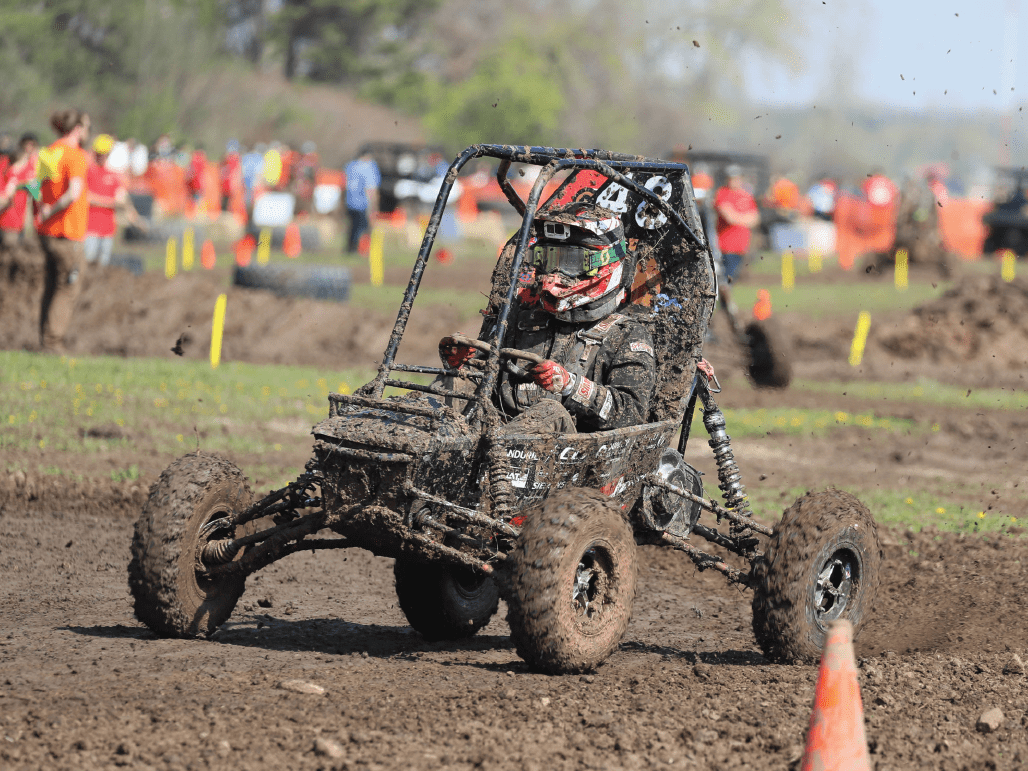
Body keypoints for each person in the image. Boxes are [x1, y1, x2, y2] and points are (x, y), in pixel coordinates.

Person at [439, 204, 655, 434]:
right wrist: (462, 363)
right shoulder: (520, 318)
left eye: (570, 262)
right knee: (452, 385)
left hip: (573, 452)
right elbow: (484, 383)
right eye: (548, 259)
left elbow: (632, 412)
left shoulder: (626, 335)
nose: (555, 274)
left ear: (604, 263)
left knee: (548, 411)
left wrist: (570, 385)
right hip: (503, 434)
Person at [36, 108, 91, 354]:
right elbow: (73, 193)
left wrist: (42, 212)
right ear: (77, 129)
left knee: (52, 284)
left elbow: (38, 187)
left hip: (47, 232)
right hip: (67, 232)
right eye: (87, 127)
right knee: (68, 286)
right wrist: (52, 209)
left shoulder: (49, 152)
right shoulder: (74, 155)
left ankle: (45, 338)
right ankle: (52, 342)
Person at [84, 133, 145, 266]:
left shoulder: (113, 175)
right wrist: (111, 203)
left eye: (105, 153)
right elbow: (86, 197)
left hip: (107, 230)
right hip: (89, 227)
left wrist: (136, 219)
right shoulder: (88, 172)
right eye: (99, 153)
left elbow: (123, 199)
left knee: (102, 265)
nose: (102, 157)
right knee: (87, 262)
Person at [714, 165, 759, 334]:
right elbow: (728, 216)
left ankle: (726, 311)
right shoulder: (722, 193)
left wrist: (739, 218)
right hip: (725, 247)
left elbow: (755, 218)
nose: (735, 181)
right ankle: (724, 312)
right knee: (724, 280)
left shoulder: (746, 195)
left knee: (731, 280)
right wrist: (743, 218)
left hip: (741, 247)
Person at [0, 132, 39, 252]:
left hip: (20, 222)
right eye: (26, 144)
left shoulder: (33, 167)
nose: (29, 148)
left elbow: (36, 195)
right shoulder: (7, 164)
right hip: (7, 221)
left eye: (32, 145)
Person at [344, 149, 380, 254]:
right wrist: (374, 206)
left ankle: (350, 249)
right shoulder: (368, 167)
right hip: (362, 203)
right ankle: (360, 250)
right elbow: (370, 188)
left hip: (349, 201)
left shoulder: (350, 166)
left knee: (352, 227)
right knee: (362, 228)